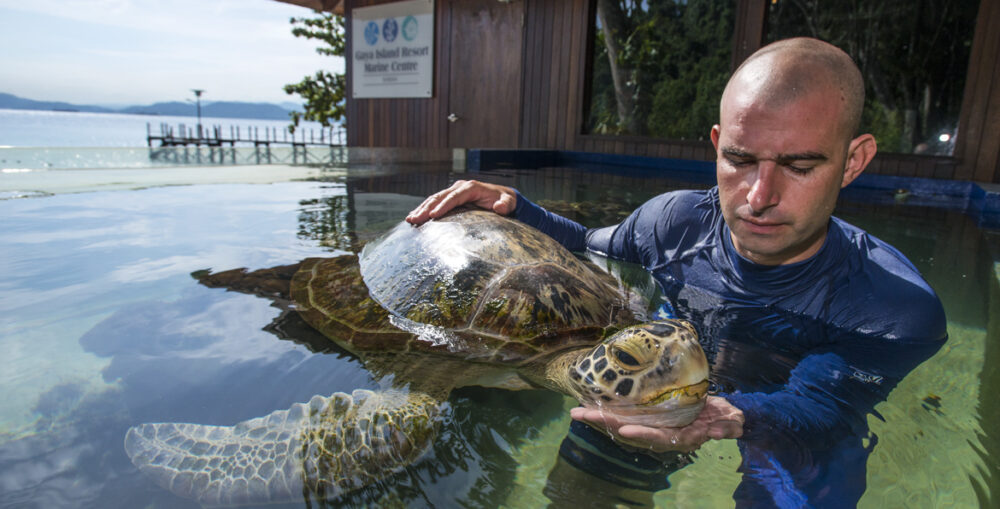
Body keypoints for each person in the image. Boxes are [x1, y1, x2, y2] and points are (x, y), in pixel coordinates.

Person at [407, 37, 946, 507]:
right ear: (715, 145)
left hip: (796, 425)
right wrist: (517, 205)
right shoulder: (674, 224)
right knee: (578, 498)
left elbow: (824, 406)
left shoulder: (892, 309)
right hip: (661, 388)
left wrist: (734, 415)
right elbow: (591, 248)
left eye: (799, 166)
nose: (760, 197)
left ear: (854, 161)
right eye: (739, 160)